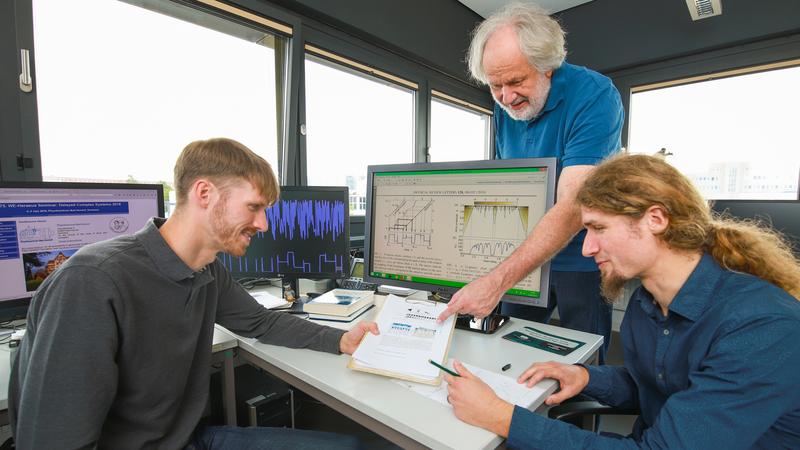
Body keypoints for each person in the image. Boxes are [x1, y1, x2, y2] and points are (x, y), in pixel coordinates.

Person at [9, 138, 379, 450]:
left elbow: (260, 322)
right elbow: (52, 440)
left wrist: (343, 340)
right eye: (254, 207)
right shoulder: (92, 282)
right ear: (204, 193)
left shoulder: (205, 269)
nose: (264, 224)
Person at [443, 154, 800, 449]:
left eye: (598, 228)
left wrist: (501, 417)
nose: (587, 248)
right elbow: (659, 384)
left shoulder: (762, 327)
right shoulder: (647, 301)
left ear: (655, 219)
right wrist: (585, 377)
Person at [437, 2, 624, 363]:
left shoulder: (595, 96)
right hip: (526, 257)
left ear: (548, 67)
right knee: (506, 350)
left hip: (582, 258)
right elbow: (508, 187)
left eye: (516, 81)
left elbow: (573, 207)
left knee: (583, 366)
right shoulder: (506, 107)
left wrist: (497, 280)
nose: (506, 97)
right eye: (495, 86)